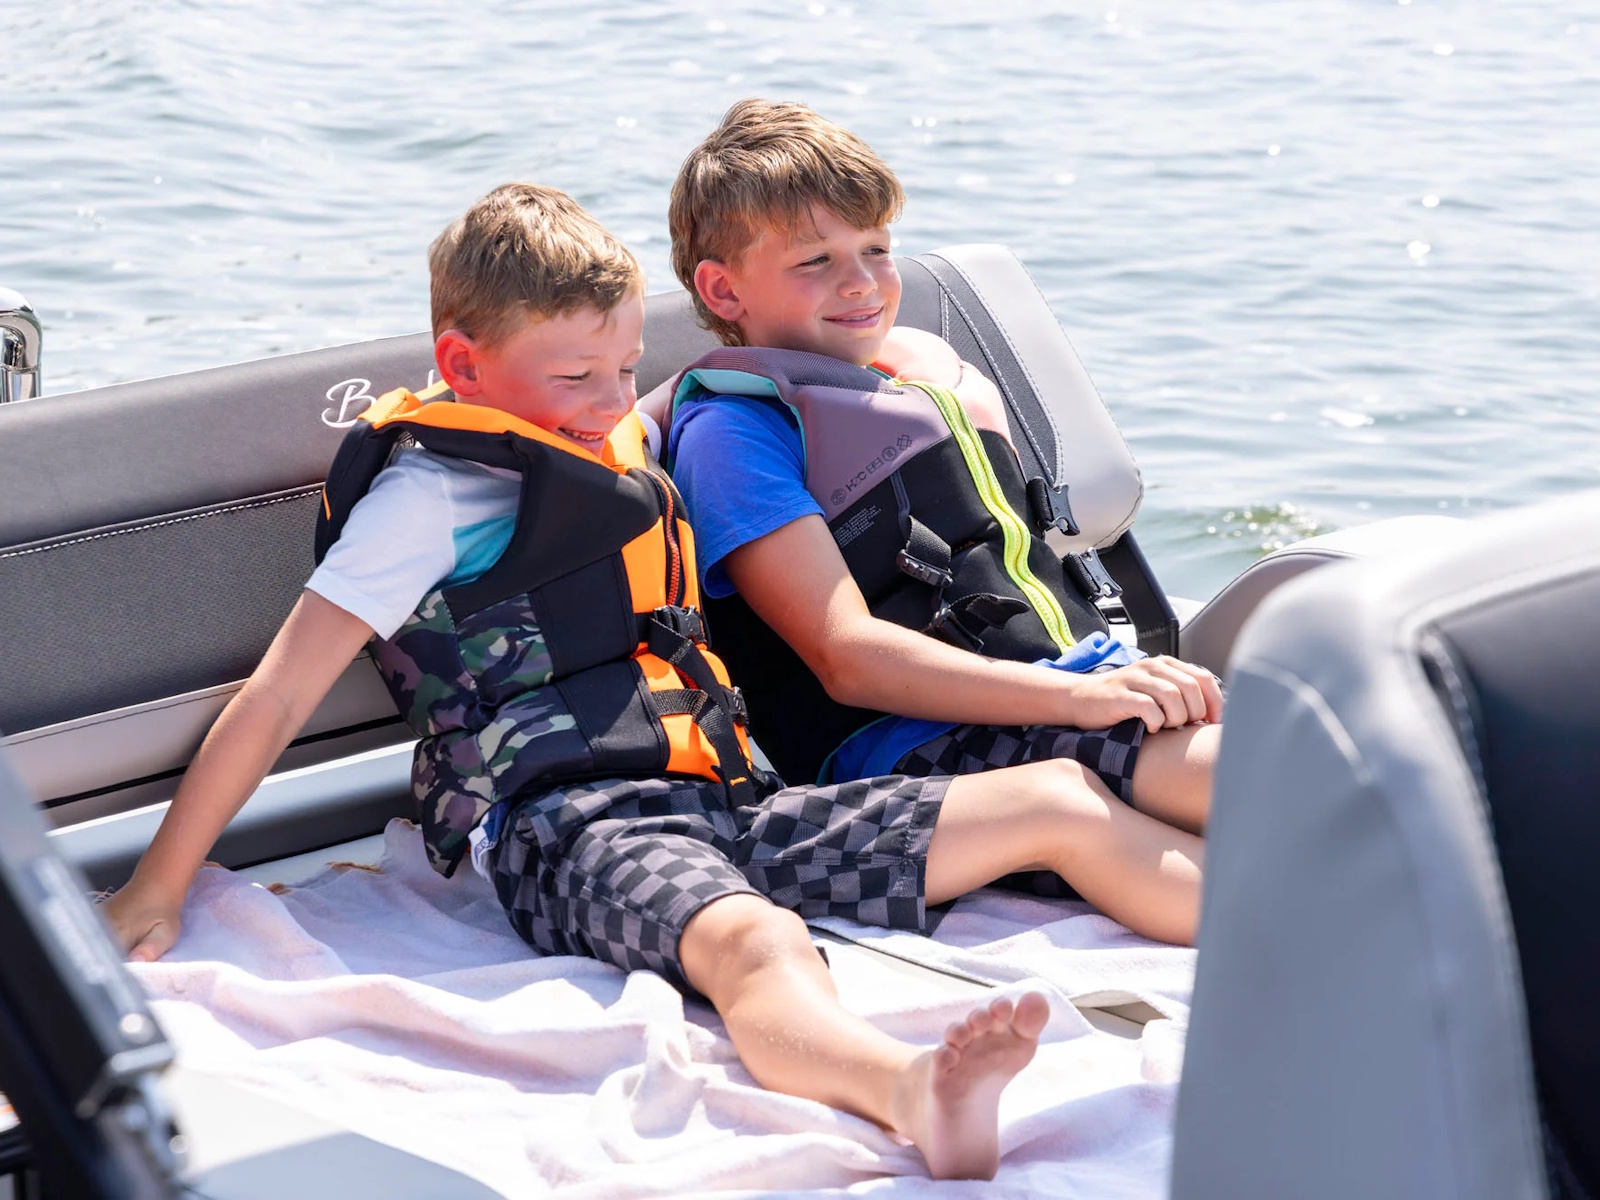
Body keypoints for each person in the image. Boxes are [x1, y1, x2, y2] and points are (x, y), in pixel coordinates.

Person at [98, 182, 1179, 1183]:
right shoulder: (425, 501)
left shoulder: (608, 433)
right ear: (463, 367)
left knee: (1058, 801)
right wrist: (157, 885)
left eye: (622, 369)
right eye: (576, 378)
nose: (608, 401)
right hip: (569, 827)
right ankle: (911, 1094)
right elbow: (279, 696)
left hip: (729, 803)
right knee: (754, 939)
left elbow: (747, 381)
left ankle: (1271, 946)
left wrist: (891, 351)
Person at [651, 99, 1221, 876]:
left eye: (877, 249)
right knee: (1253, 778)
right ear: (723, 292)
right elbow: (846, 656)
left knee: (1304, 761)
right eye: (815, 261)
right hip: (917, 746)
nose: (861, 283)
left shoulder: (910, 377)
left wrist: (1097, 686)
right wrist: (1079, 700)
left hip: (1053, 688)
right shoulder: (734, 435)